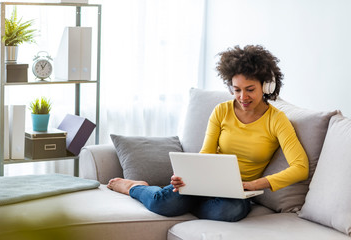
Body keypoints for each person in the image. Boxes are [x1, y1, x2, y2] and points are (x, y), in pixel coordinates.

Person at [108, 45, 309, 222]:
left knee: (230, 211)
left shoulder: (277, 119)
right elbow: (206, 154)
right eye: (236, 89)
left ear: (266, 86)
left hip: (236, 194)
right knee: (162, 204)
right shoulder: (221, 111)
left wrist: (255, 184)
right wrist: (188, 177)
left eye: (250, 90)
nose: (242, 97)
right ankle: (134, 187)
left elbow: (300, 167)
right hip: (205, 183)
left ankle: (181, 203)